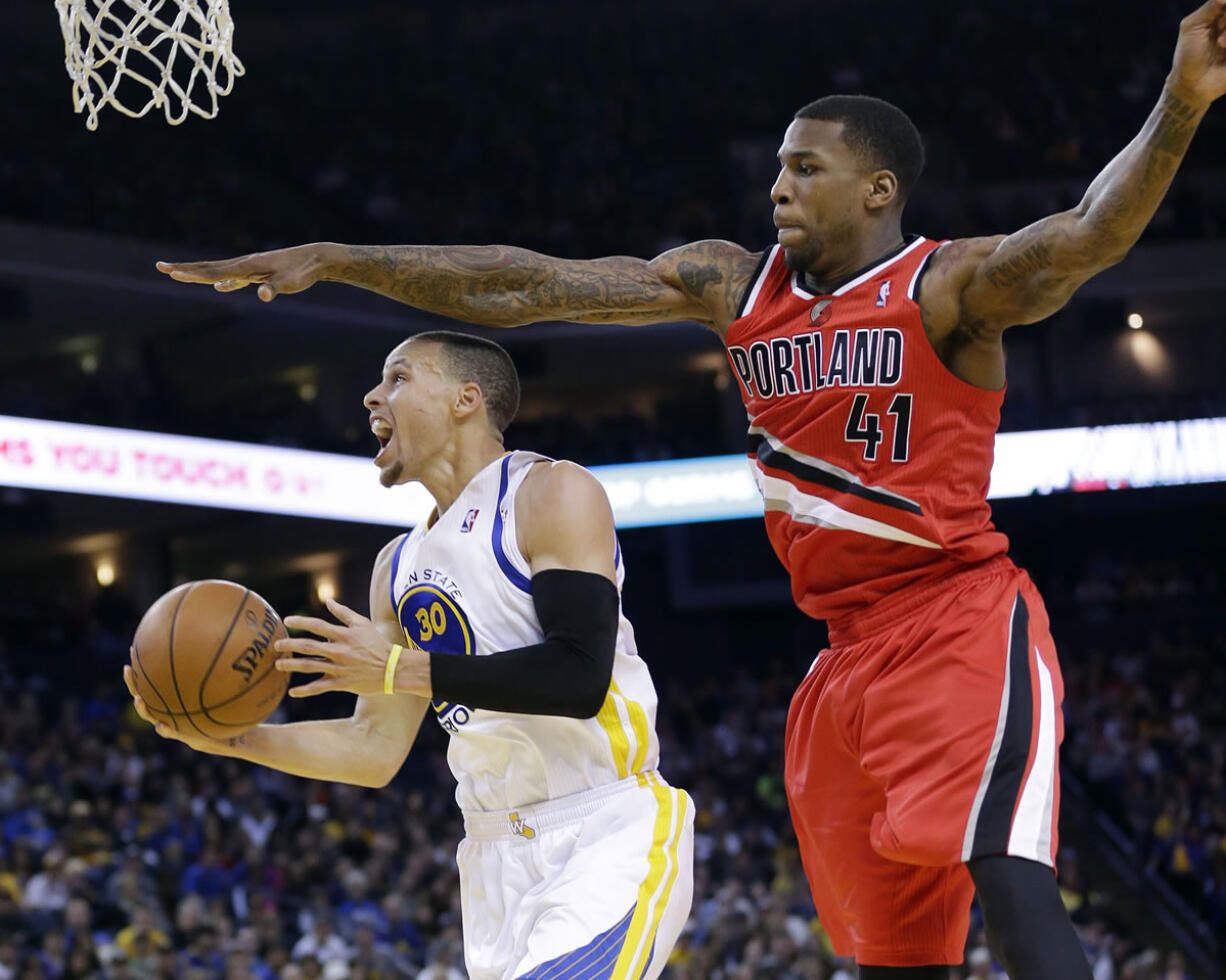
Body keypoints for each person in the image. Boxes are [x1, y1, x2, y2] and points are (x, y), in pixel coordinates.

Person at [155, 5, 1226, 977]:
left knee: (1010, 880)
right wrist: (340, 257)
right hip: (838, 656)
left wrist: (1180, 100)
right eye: (775, 168)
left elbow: (1086, 233)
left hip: (952, 616)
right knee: (895, 957)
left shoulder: (944, 287)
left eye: (804, 169)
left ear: (877, 189)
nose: (776, 188)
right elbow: (522, 283)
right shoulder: (732, 282)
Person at [124, 331, 695, 980]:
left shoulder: (550, 494)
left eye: (398, 377)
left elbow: (579, 677)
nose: (372, 395)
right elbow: (373, 749)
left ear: (465, 399)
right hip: (490, 862)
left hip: (606, 834)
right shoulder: (394, 567)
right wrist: (231, 740)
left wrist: (398, 668)